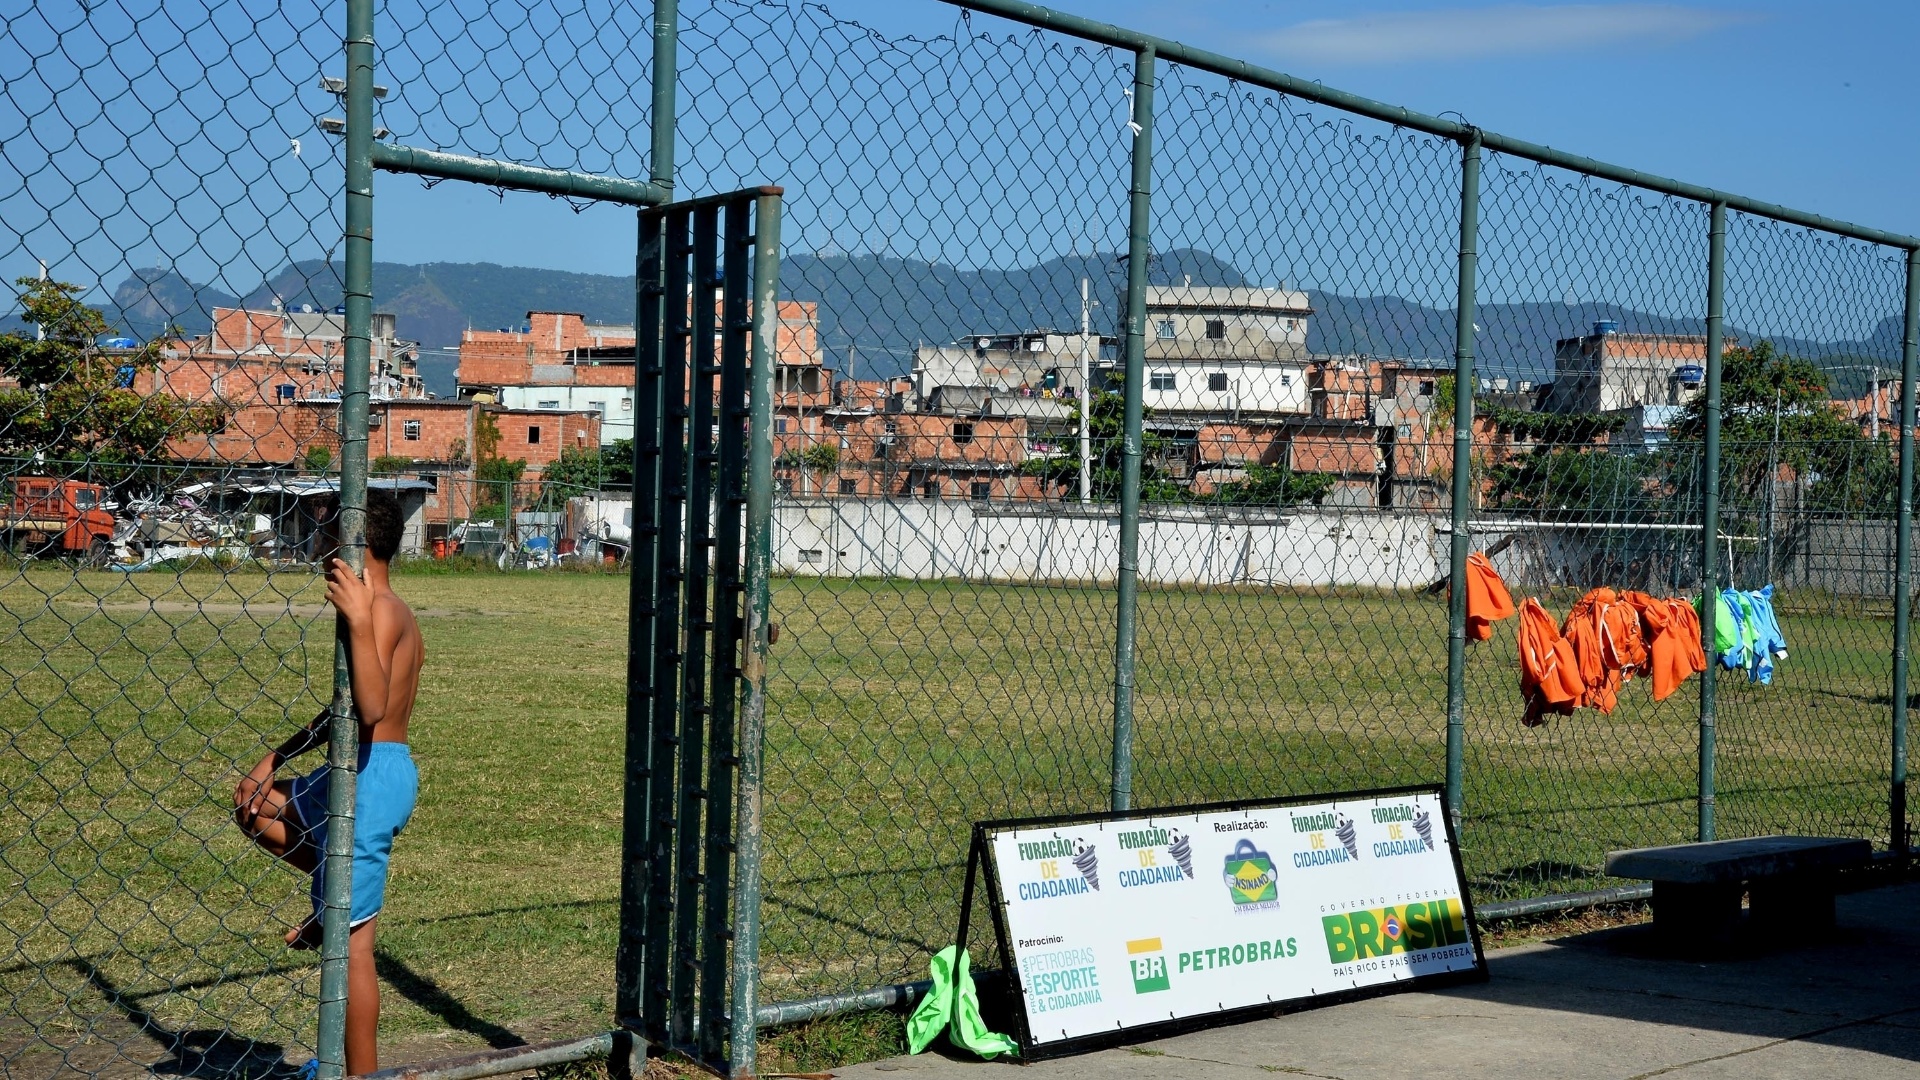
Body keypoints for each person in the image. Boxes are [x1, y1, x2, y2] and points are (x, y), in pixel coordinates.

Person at [232, 488, 423, 1075]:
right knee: (253, 803)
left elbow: (368, 709)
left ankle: (358, 1077)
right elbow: (341, 709)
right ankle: (328, 898)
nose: (318, 548)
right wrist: (276, 754)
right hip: (348, 767)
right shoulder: (380, 608)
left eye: (326, 537)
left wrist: (361, 619)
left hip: (374, 775)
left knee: (354, 950)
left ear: (355, 546)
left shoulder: (383, 611)